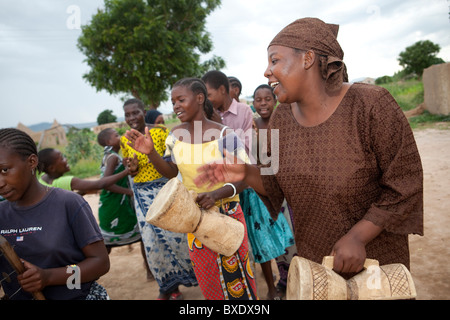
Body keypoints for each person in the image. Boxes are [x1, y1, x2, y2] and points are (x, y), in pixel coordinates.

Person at [194, 18, 423, 278]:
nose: (267, 71)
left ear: (308, 58)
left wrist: (358, 237)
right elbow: (272, 183)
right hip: (315, 263)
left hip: (376, 266)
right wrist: (245, 173)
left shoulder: (370, 105)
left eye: (274, 60)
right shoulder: (282, 118)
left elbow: (405, 182)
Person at [124, 78, 258, 300]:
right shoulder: (175, 136)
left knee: (238, 282)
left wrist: (216, 194)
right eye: (172, 101)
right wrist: (150, 153)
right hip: (194, 220)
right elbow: (170, 171)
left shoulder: (225, 135)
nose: (175, 106)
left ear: (199, 98)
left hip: (227, 216)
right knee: (211, 282)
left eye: (180, 99)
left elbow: (245, 177)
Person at [0, 128, 110, 300]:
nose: (0, 182)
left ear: (32, 162)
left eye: (5, 170)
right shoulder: (1, 214)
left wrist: (48, 277)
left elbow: (100, 263)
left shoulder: (68, 203)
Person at [120, 98, 198, 300]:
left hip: (165, 190)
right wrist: (132, 167)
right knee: (152, 242)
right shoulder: (125, 139)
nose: (131, 118)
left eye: (135, 113)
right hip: (141, 195)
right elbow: (131, 169)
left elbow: (171, 164)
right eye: (127, 114)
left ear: (144, 112)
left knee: (177, 236)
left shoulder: (161, 132)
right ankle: (168, 288)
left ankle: (198, 276)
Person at [239, 84, 295, 300]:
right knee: (271, 241)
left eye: (267, 99)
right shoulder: (250, 129)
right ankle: (282, 280)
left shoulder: (284, 123)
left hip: (285, 191)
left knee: (290, 238)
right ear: (253, 102)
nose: (263, 103)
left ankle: (295, 278)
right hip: (260, 193)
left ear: (275, 101)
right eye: (258, 99)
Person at [96, 128, 141, 252]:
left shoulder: (114, 156)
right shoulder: (112, 158)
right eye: (116, 135)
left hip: (114, 201)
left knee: (108, 243)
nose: (120, 137)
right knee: (139, 235)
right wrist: (129, 192)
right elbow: (106, 183)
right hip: (114, 201)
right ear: (109, 142)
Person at [202, 71, 254, 156]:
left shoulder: (244, 110)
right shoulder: (209, 114)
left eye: (209, 95)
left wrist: (220, 126)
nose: (207, 101)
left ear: (222, 90)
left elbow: (247, 149)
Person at [37, 148, 129, 195]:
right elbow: (100, 184)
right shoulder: (65, 182)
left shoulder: (42, 177)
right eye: (62, 158)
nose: (66, 159)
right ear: (52, 168)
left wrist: (82, 192)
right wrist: (126, 172)